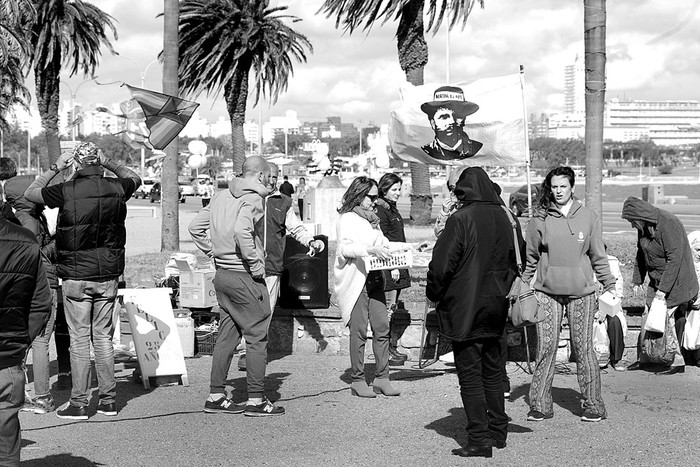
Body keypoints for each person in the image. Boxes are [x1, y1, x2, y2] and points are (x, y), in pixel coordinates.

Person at [24, 141, 141, 420]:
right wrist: (109, 161)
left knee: (79, 340)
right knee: (102, 338)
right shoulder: (117, 187)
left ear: (77, 163)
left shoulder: (67, 190)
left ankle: (79, 403)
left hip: (76, 276)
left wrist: (56, 168)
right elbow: (134, 178)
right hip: (108, 274)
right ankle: (109, 401)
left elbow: (30, 194)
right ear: (97, 161)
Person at [426, 167, 519, 458]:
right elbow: (520, 257)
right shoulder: (507, 217)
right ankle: (497, 432)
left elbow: (442, 266)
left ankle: (479, 439)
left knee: (470, 375)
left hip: (465, 306)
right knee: (493, 371)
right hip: (496, 305)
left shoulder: (461, 219)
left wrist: (434, 293)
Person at [189, 156, 284, 416]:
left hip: (222, 275)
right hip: (244, 276)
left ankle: (216, 395)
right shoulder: (253, 198)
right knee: (256, 338)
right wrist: (255, 265)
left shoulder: (220, 196)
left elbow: (195, 227)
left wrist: (214, 252)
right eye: (269, 176)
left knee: (227, 337)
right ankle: (256, 400)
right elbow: (243, 232)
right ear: (262, 175)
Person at [523, 166, 615, 423]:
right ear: (549, 188)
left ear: (572, 187)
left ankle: (594, 405)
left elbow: (598, 254)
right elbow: (530, 257)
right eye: (554, 187)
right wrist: (522, 284)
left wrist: (609, 283)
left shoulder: (588, 216)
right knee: (547, 347)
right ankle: (540, 404)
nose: (558, 191)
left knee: (584, 349)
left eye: (563, 186)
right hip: (546, 293)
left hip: (582, 293)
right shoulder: (539, 217)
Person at [236, 163, 324, 371]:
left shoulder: (283, 202)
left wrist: (310, 241)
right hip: (244, 265)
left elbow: (295, 228)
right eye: (270, 176)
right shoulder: (245, 199)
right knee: (245, 310)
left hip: (271, 267)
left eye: (276, 176)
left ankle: (254, 352)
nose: (273, 180)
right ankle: (243, 350)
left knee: (265, 311)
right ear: (260, 175)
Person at [334, 176, 400, 398]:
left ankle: (382, 377)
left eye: (376, 197)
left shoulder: (372, 220)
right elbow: (345, 249)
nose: (375, 201)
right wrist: (369, 250)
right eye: (371, 197)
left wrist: (408, 248)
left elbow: (384, 244)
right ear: (360, 195)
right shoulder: (348, 219)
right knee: (359, 332)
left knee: (382, 327)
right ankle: (357, 379)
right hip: (357, 282)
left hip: (374, 279)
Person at [3, 172, 61, 414]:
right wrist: (59, 240)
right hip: (43, 281)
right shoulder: (29, 221)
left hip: (34, 281)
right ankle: (42, 396)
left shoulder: (24, 217)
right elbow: (38, 254)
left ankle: (28, 391)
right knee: (41, 341)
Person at [621, 197, 699, 375]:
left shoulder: (669, 223)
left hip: (678, 281)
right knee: (647, 315)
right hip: (658, 280)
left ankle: (677, 361)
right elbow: (641, 253)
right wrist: (637, 279)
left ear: (640, 217)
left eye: (632, 221)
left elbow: (674, 260)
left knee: (667, 319)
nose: (632, 225)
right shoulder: (643, 227)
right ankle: (645, 358)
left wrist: (662, 292)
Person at [0, 204, 52, 465]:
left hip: (9, 356)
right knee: (6, 449)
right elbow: (41, 303)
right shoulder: (25, 240)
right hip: (7, 360)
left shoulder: (25, 239)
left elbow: (41, 303)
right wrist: (19, 342)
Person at [375, 173, 410, 366]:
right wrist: (394, 264)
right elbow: (384, 240)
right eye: (394, 190)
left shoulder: (392, 209)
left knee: (392, 308)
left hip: (398, 261)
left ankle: (391, 348)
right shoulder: (382, 210)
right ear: (385, 189)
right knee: (387, 309)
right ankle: (385, 351)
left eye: (399, 189)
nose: (398, 193)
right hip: (390, 265)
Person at [420, 86, 483, 161]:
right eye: (444, 117)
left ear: (464, 119)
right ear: (432, 123)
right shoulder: (427, 151)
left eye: (458, 116)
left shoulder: (477, 149)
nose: (452, 122)